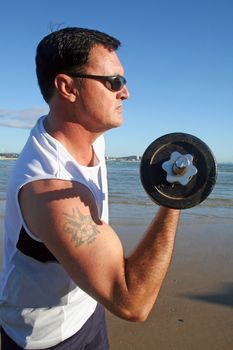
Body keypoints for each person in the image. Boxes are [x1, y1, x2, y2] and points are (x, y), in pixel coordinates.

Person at [0, 27, 180, 349]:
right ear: (67, 87)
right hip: (45, 337)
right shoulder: (50, 191)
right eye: (114, 82)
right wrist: (174, 199)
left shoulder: (89, 135)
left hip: (87, 310)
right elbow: (131, 301)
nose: (125, 93)